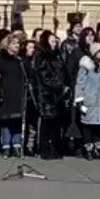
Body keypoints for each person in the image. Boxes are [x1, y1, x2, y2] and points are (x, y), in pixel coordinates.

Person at [75, 41, 100, 158]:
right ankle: (88, 148)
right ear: (95, 53)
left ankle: (98, 148)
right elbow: (80, 83)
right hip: (90, 100)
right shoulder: (87, 66)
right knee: (88, 126)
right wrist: (79, 100)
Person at [33, 31, 64, 159]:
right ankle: (44, 149)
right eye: (52, 41)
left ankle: (55, 148)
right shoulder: (41, 56)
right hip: (46, 94)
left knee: (56, 123)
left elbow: (62, 71)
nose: (55, 43)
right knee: (47, 122)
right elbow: (44, 75)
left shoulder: (57, 55)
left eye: (56, 41)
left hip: (57, 94)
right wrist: (57, 84)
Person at [0, 33, 25, 157]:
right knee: (6, 119)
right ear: (7, 45)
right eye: (14, 43)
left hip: (19, 92)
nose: (17, 46)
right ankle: (6, 145)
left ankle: (16, 144)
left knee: (17, 118)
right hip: (6, 92)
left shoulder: (19, 60)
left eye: (18, 43)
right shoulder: (2, 60)